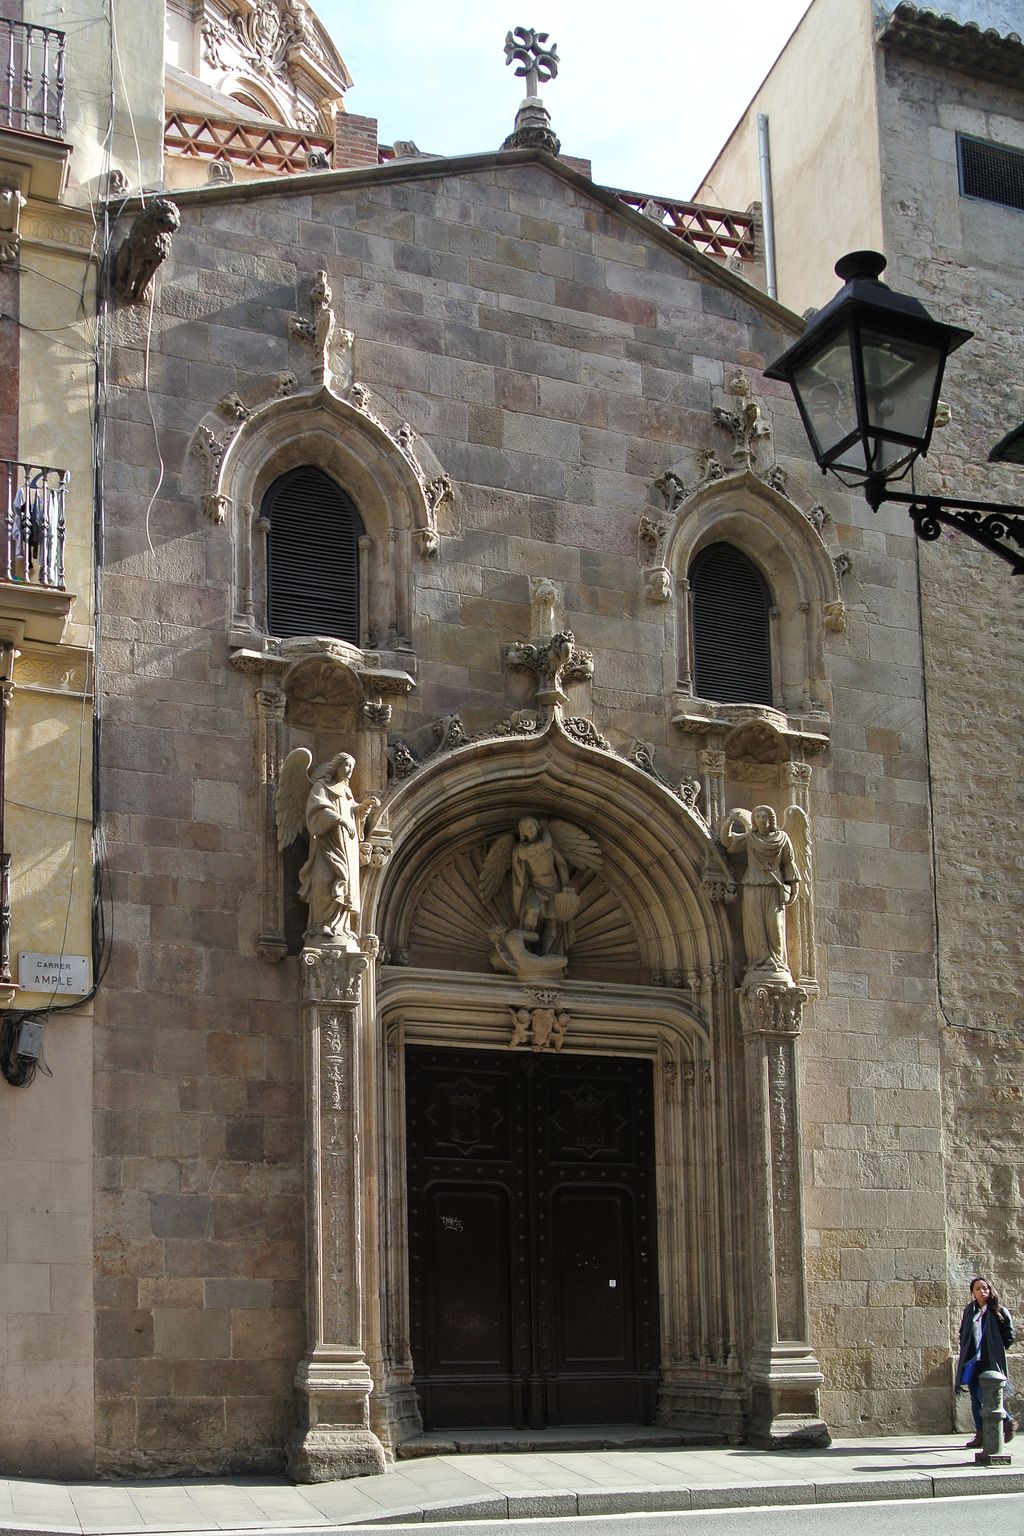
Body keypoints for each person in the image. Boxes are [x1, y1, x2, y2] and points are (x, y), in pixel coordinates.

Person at [720, 805, 800, 983]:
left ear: (771, 820)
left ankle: (776, 961)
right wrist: (729, 821)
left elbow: (788, 862)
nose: (761, 821)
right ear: (754, 821)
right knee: (755, 926)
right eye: (758, 818)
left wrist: (793, 886)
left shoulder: (782, 838)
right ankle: (758, 962)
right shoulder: (750, 838)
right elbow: (728, 843)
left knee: (775, 926)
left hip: (773, 887)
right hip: (752, 886)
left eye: (764, 817)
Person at [955, 1275, 1017, 1448]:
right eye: (978, 1289)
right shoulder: (970, 1311)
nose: (983, 1291)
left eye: (985, 1288)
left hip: (990, 1361)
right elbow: (963, 1333)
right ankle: (980, 1434)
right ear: (973, 1293)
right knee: (976, 1399)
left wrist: (996, 1347)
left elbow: (1009, 1335)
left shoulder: (998, 1310)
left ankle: (1009, 1421)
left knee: (988, 1396)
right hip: (973, 1361)